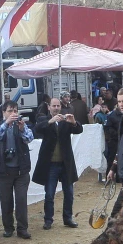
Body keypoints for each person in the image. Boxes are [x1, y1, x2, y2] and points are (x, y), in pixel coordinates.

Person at [33, 97, 81, 230]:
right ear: (49, 107)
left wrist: (74, 123)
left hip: (66, 163)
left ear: (61, 107)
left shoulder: (66, 120)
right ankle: (48, 220)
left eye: (58, 106)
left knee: (69, 193)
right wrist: (50, 121)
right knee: (49, 194)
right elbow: (37, 129)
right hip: (51, 164)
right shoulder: (44, 119)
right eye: (53, 106)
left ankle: (68, 218)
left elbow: (79, 130)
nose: (56, 108)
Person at [0, 101, 33, 239]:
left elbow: (30, 138)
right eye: (10, 111)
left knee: (21, 200)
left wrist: (21, 130)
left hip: (21, 171)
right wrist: (7, 123)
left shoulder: (21, 125)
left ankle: (22, 228)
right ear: (3, 112)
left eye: (15, 110)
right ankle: (8, 228)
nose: (13, 113)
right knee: (6, 201)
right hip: (3, 171)